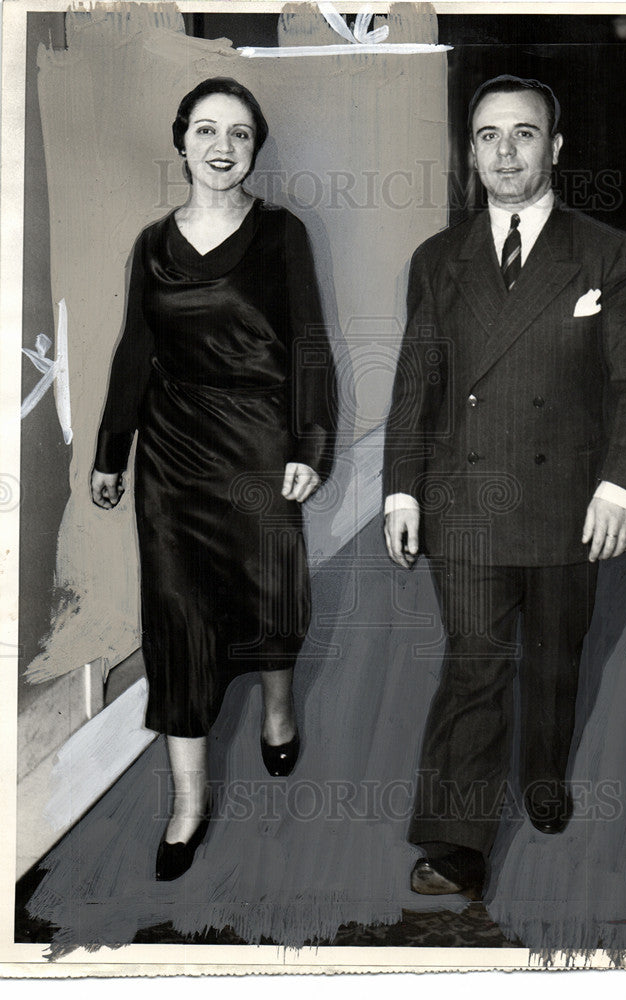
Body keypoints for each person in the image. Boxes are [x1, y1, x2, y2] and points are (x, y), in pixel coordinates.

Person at [383, 75, 626, 898]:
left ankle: (543, 773)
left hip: (566, 498)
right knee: (474, 662)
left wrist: (619, 486)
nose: (505, 153)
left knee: (552, 656)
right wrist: (402, 490)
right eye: (487, 136)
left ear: (556, 146)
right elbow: (415, 384)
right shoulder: (439, 260)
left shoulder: (610, 253)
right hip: (465, 498)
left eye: (524, 134)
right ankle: (456, 839)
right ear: (469, 152)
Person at [91, 77, 336, 881]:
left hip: (260, 448)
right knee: (178, 617)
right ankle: (188, 803)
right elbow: (136, 351)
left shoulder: (281, 235)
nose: (221, 146)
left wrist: (312, 446)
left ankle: (276, 706)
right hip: (173, 456)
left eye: (238, 132)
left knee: (265, 593)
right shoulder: (152, 245)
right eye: (205, 129)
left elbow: (308, 343)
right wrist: (110, 452)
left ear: (254, 146)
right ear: (182, 141)